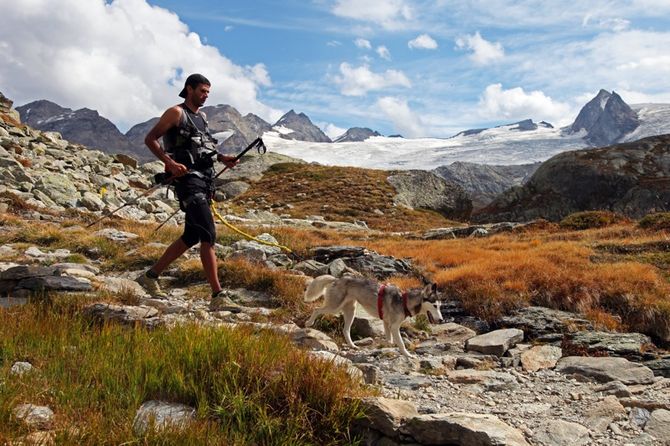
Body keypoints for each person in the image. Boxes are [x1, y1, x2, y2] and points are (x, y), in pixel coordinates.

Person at [136, 73, 237, 302]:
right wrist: (170, 163)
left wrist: (223, 158)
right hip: (187, 182)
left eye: (208, 92)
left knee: (191, 236)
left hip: (204, 181)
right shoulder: (176, 113)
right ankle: (218, 295)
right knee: (208, 234)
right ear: (189, 89)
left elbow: (205, 146)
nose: (205, 96)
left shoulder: (202, 117)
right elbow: (150, 139)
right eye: (202, 91)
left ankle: (150, 277)